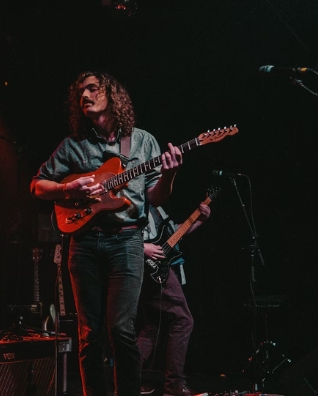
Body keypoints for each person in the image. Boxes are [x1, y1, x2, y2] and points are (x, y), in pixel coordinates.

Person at [30, 70, 184, 396]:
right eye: (80, 93)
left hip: (128, 240)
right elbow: (37, 185)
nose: (84, 96)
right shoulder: (72, 146)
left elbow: (156, 197)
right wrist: (67, 188)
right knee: (89, 333)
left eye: (92, 89)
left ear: (111, 95)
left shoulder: (143, 142)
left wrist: (169, 175)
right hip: (84, 242)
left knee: (121, 329)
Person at [138, 202, 210, 396]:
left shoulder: (158, 207)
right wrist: (142, 247)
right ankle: (174, 385)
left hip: (162, 267)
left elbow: (174, 233)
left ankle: (128, 379)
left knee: (151, 328)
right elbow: (120, 233)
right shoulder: (137, 199)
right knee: (184, 321)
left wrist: (200, 219)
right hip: (151, 269)